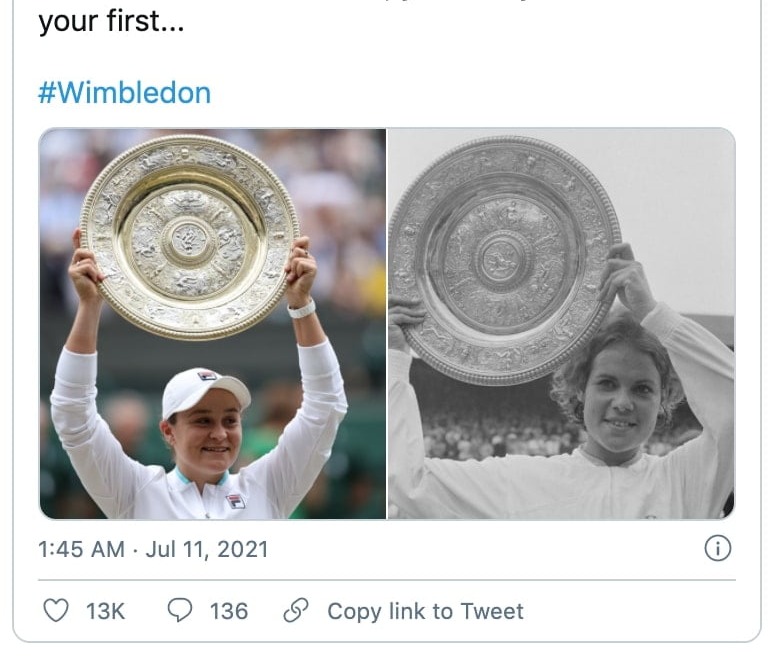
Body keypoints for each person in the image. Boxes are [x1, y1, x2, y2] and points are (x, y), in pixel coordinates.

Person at [388, 244, 733, 519]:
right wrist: (395, 356)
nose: (623, 402)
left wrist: (656, 316)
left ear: (664, 398)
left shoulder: (685, 481)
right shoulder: (519, 482)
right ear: (581, 389)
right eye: (607, 383)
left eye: (643, 388)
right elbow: (407, 483)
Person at [51, 229, 347, 519]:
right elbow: (73, 414)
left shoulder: (267, 486)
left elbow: (326, 406)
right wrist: (90, 305)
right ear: (168, 431)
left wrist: (301, 304)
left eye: (230, 420)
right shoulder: (134, 491)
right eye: (203, 420)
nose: (220, 433)